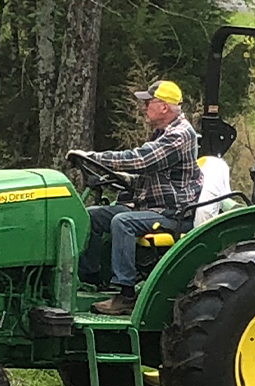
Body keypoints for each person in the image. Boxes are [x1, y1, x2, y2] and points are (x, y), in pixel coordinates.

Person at [70, 80, 203, 316]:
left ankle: (126, 295)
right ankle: (89, 277)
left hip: (172, 213)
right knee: (91, 216)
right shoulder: (161, 134)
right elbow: (149, 177)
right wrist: (116, 177)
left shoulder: (180, 135)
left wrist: (95, 158)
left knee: (123, 222)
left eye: (148, 102)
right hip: (152, 206)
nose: (144, 108)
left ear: (164, 106)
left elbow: (141, 160)